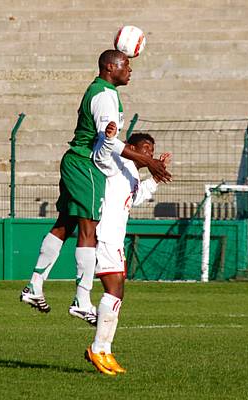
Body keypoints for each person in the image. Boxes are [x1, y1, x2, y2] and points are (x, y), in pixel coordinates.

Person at [20, 49, 171, 325]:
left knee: (64, 225)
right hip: (85, 165)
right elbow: (109, 141)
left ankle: (34, 286)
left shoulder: (102, 91)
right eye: (125, 65)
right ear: (110, 68)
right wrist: (148, 161)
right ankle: (82, 299)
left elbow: (110, 138)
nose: (130, 69)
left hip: (76, 161)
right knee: (88, 230)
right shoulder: (103, 96)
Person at [85, 121, 171, 375]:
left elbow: (135, 197)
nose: (150, 155)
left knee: (117, 294)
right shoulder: (117, 163)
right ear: (131, 147)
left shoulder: (132, 173)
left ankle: (104, 350)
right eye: (145, 149)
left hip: (115, 238)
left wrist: (154, 178)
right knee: (113, 291)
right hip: (103, 236)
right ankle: (98, 349)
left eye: (152, 151)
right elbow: (100, 155)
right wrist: (109, 138)